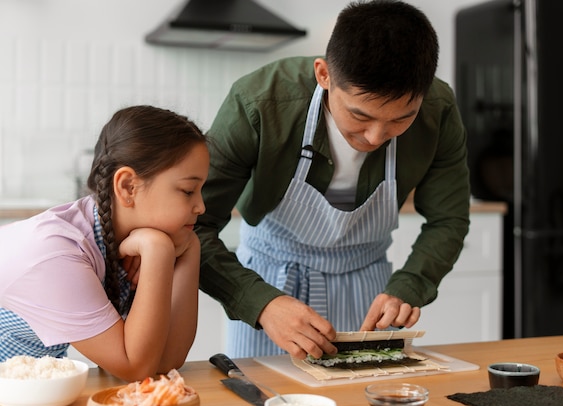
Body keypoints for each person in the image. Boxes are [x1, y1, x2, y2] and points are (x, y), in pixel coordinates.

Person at [196, 0, 470, 359]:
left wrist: (409, 286)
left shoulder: (439, 109)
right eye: (360, 115)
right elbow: (193, 226)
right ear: (324, 75)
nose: (375, 137)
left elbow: (448, 220)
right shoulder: (259, 102)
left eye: (401, 119)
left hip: (368, 290)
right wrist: (261, 304)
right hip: (269, 281)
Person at [0, 105, 209, 382]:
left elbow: (166, 361)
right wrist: (159, 249)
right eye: (187, 190)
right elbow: (135, 369)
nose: (201, 206)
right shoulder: (59, 253)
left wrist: (190, 248)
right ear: (127, 187)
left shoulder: (123, 238)